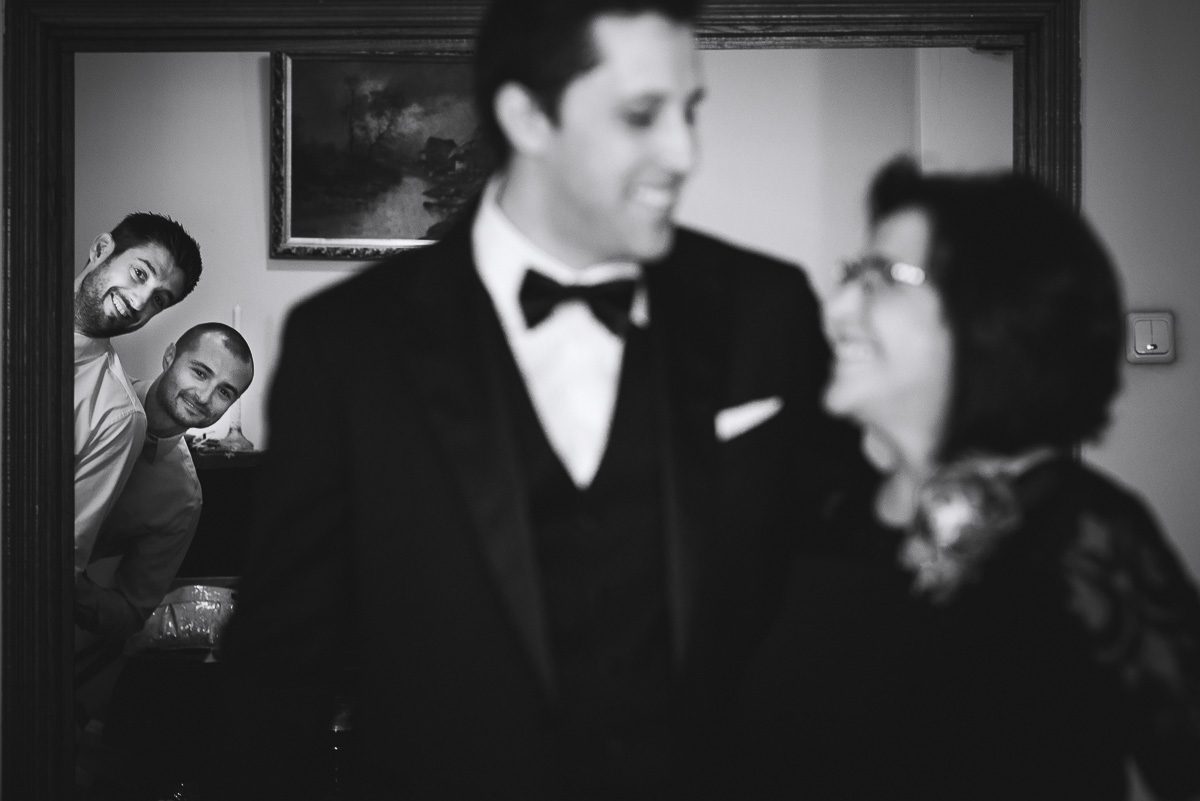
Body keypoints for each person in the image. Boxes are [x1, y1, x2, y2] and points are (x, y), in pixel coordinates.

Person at [213, 0, 863, 798]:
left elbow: (844, 574)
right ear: (527, 117)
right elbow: (280, 665)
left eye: (689, 112)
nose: (683, 151)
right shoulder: (347, 343)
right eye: (641, 115)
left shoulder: (766, 306)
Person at [735, 157, 1200, 800]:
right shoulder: (827, 513)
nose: (837, 308)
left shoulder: (1079, 532)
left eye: (883, 279)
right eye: (849, 276)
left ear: (991, 315)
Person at [76, 322, 254, 641]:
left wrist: (68, 586)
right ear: (170, 356)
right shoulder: (97, 391)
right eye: (200, 372)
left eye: (225, 392)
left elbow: (132, 611)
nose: (204, 397)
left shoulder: (183, 499)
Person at [74, 212, 203, 584]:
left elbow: (63, 555)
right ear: (101, 249)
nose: (138, 301)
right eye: (140, 273)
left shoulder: (118, 415)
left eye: (158, 300)